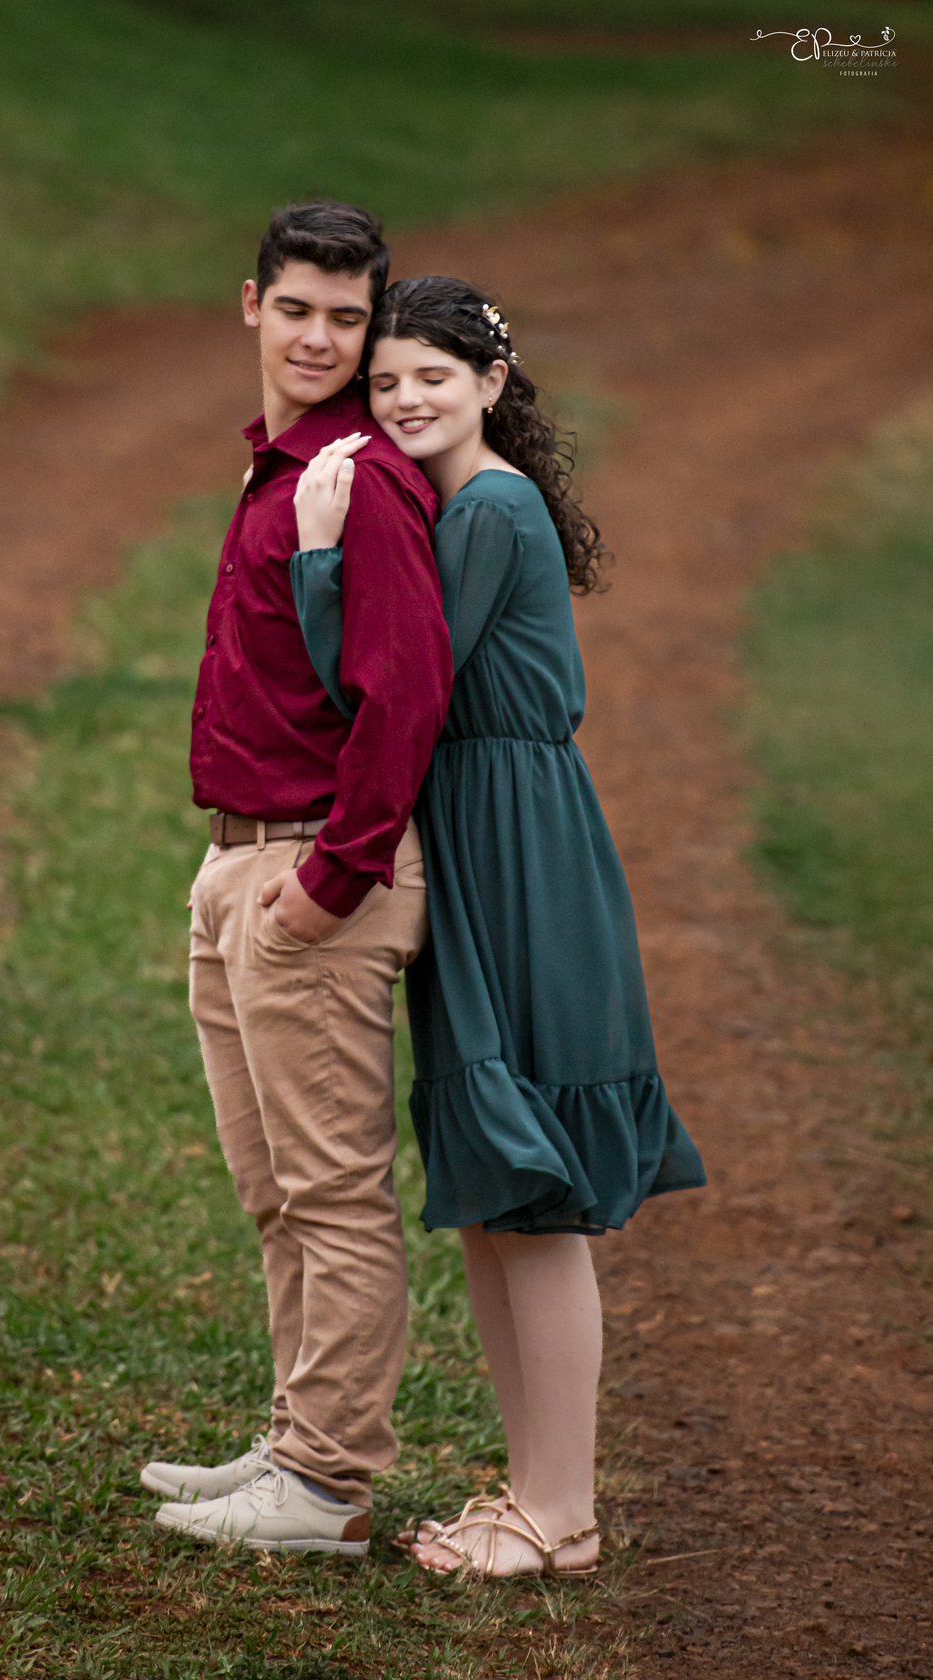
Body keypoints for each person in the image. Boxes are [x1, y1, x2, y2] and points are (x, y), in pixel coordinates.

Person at [287, 276, 707, 1578]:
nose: (406, 398)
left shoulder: (488, 507)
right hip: (479, 837)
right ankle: (533, 1496)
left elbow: (385, 685)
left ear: (491, 382)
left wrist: (317, 554)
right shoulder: (459, 505)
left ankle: (563, 1510)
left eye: (433, 376)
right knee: (495, 1191)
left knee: (536, 1197)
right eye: (385, 382)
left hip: (520, 849)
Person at [141, 205, 454, 1557]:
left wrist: (331, 877)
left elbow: (407, 696)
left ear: (370, 325)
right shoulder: (281, 469)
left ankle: (327, 1485)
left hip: (321, 871)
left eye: (347, 316)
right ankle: (294, 1443)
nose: (320, 337)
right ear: (251, 305)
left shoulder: (361, 478)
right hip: (244, 860)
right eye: (298, 309)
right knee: (274, 1194)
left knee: (330, 1194)